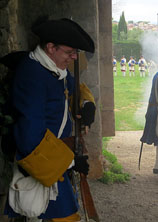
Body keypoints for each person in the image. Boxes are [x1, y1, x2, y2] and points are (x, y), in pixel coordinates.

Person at [3, 18, 96, 221]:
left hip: (55, 162)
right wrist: (70, 162)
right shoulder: (32, 75)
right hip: (42, 164)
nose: (73, 57)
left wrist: (87, 105)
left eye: (75, 53)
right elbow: (29, 138)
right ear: (51, 47)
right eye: (69, 52)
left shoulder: (54, 70)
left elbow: (74, 89)